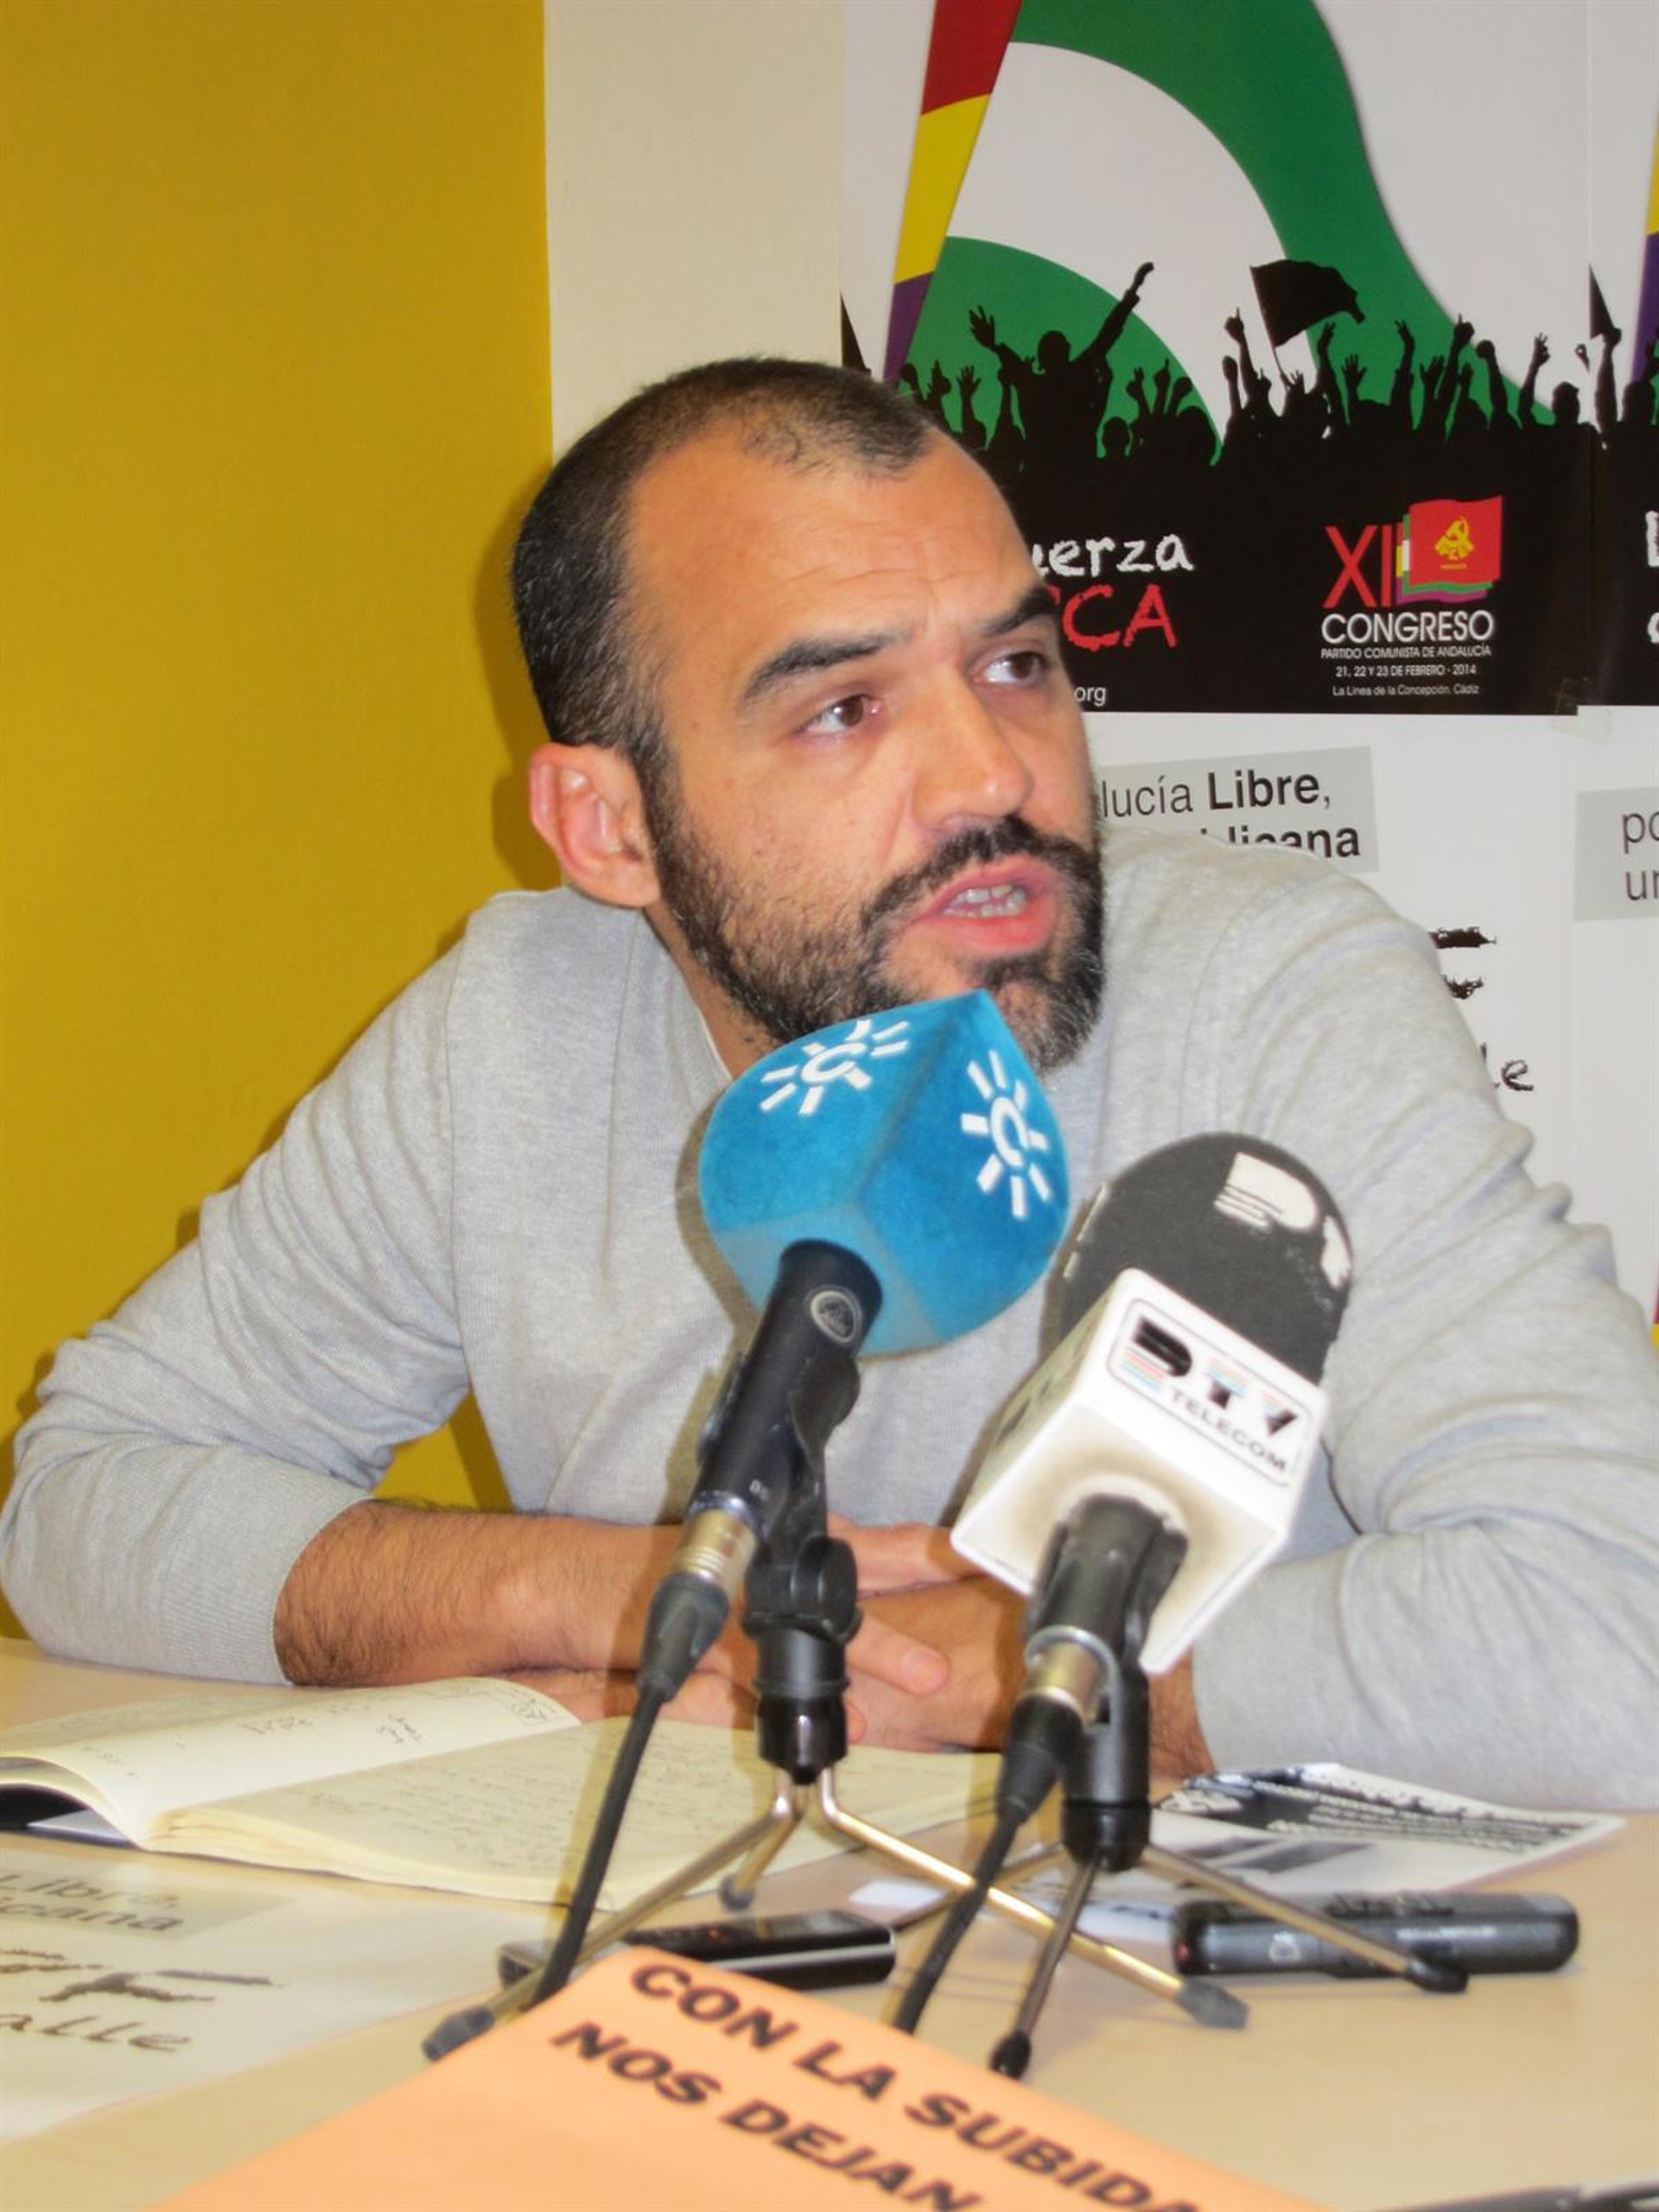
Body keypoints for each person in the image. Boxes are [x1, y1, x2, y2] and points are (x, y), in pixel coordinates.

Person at [3, 360, 1655, 1809]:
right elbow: (86, 1497)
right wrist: (624, 1597)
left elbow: (1615, 1617)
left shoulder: (1270, 990)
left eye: (1017, 665)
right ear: (610, 828)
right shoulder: (505, 1028)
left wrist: (998, 1671)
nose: (992, 775)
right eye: (845, 708)